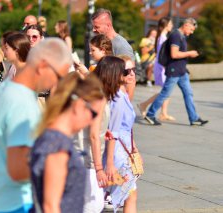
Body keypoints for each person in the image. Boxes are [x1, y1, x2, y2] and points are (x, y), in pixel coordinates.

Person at [0, 38, 71, 213]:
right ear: (44, 65)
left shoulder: (2, 89)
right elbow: (18, 169)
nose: (57, 84)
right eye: (59, 76)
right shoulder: (23, 103)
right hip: (17, 202)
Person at [30, 73, 105, 213]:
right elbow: (50, 206)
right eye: (93, 114)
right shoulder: (58, 145)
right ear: (79, 106)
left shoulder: (53, 136)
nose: (92, 121)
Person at [144, 18, 208, 126]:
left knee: (188, 93)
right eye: (191, 29)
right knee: (165, 94)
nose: (191, 32)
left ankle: (194, 118)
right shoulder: (176, 36)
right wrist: (190, 53)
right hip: (174, 70)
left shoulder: (181, 36)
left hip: (181, 71)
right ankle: (150, 114)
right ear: (186, 25)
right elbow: (174, 54)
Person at [95, 56, 139, 212]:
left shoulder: (120, 94)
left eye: (134, 70)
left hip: (122, 150)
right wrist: (110, 164)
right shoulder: (118, 97)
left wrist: (134, 148)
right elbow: (113, 131)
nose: (131, 74)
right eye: (127, 71)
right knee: (125, 195)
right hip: (118, 154)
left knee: (128, 194)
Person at [138, 17, 175, 121]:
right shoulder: (162, 38)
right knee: (166, 91)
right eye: (170, 24)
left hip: (161, 66)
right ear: (166, 25)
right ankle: (144, 105)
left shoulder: (161, 37)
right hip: (163, 67)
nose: (172, 26)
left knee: (166, 91)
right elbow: (163, 55)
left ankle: (163, 113)